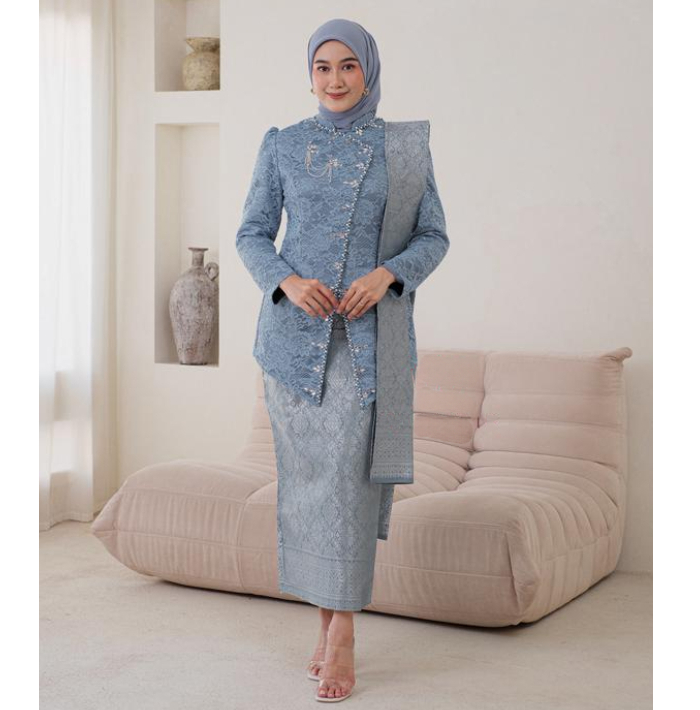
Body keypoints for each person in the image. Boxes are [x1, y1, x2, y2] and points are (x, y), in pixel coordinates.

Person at [235, 18, 449, 702]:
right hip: (293, 347)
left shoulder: (402, 148)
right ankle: (326, 626)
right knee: (307, 486)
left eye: (348, 66)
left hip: (367, 346)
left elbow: (434, 236)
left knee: (349, 484)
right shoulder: (282, 145)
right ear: (310, 76)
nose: (335, 79)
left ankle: (345, 633)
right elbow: (251, 233)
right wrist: (288, 281)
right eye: (323, 67)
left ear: (369, 72)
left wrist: (386, 276)